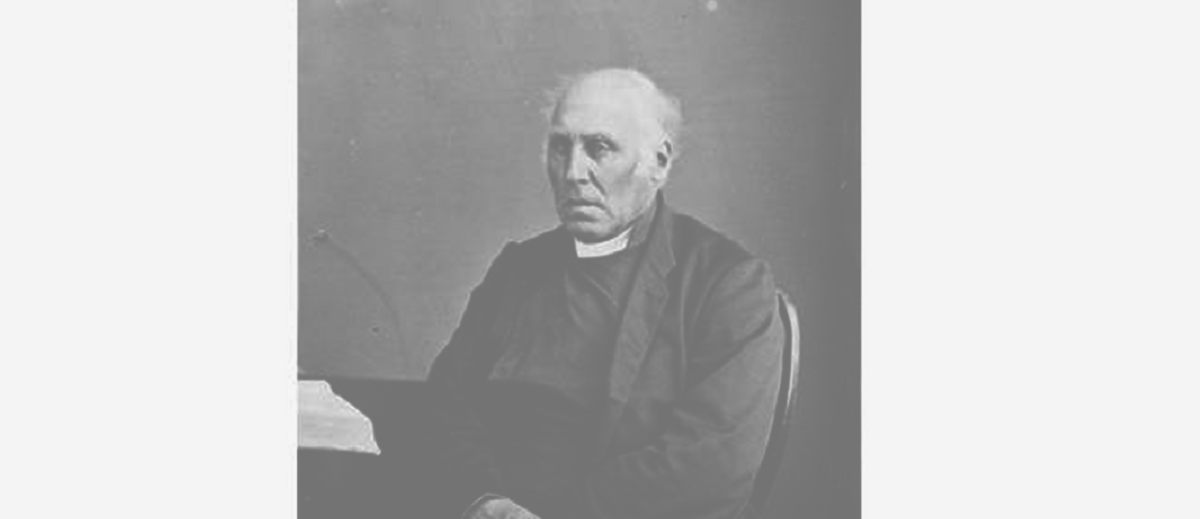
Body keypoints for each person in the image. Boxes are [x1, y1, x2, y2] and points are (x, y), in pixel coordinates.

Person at [424, 68, 785, 519]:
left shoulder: (727, 284)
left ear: (660, 162)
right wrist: (483, 499)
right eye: (561, 147)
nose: (573, 173)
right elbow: (445, 403)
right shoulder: (517, 269)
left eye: (599, 148)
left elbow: (710, 466)